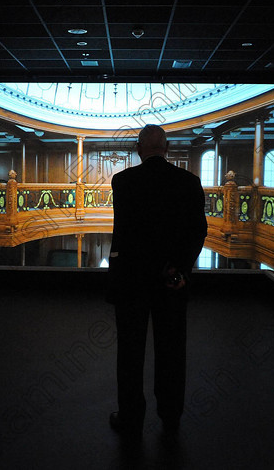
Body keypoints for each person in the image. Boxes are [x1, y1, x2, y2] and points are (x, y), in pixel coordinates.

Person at [107, 124, 207, 437]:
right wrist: (179, 270)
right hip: (171, 281)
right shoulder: (189, 182)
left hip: (132, 283)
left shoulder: (122, 182)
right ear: (166, 148)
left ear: (139, 149)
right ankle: (171, 415)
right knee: (172, 350)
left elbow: (124, 235)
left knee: (130, 353)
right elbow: (197, 232)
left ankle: (131, 417)